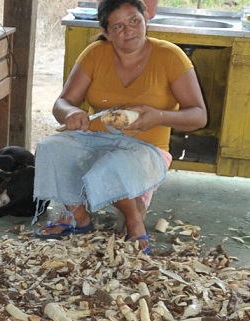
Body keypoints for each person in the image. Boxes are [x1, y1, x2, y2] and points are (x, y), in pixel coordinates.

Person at [33, 0, 207, 254]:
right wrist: (72, 112)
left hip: (146, 149)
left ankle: (134, 220)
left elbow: (199, 116)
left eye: (134, 21)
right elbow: (62, 103)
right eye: (118, 26)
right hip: (94, 139)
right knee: (49, 149)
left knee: (110, 167)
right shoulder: (95, 54)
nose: (129, 31)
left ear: (146, 17)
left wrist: (158, 116)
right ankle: (78, 217)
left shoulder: (170, 56)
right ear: (106, 33)